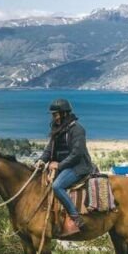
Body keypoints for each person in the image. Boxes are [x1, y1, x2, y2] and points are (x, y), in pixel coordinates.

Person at [35, 99, 94, 233]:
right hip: (63, 166)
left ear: (64, 114)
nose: (53, 117)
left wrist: (59, 165)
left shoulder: (77, 130)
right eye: (53, 115)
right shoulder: (57, 129)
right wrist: (41, 160)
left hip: (78, 166)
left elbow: (77, 154)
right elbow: (49, 149)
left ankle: (75, 216)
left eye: (55, 114)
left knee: (57, 186)